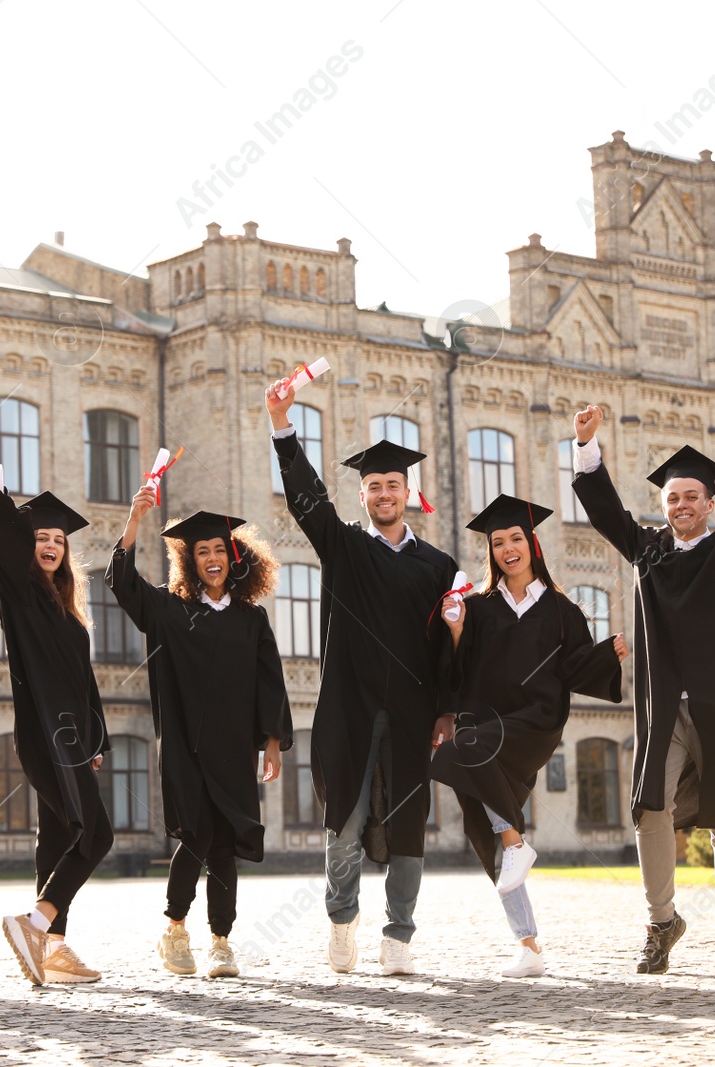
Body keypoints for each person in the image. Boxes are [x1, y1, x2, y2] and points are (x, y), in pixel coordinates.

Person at [570, 397, 715, 976]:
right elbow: (605, 511)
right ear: (663, 505)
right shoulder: (648, 550)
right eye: (673, 498)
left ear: (710, 504)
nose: (682, 505)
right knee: (649, 806)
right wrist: (587, 445)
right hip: (662, 707)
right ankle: (662, 922)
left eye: (692, 497)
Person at [266, 379, 459, 975]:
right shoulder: (345, 548)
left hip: (411, 710)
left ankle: (398, 935)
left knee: (407, 822)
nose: (383, 492)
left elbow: (448, 648)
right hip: (348, 708)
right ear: (363, 495)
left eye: (392, 485)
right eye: (373, 485)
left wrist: (448, 709)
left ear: (407, 492)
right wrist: (282, 427)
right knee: (344, 819)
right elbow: (306, 501)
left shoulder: (438, 566)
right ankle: (342, 924)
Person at [432, 494, 627, 978]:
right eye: (497, 542)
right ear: (491, 552)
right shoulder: (477, 607)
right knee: (494, 828)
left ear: (531, 544)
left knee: (463, 758)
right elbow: (456, 667)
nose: (506, 548)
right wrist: (455, 632)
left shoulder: (561, 610)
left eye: (515, 538)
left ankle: (519, 848)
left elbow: (577, 667)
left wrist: (610, 653)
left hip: (536, 721)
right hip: (483, 721)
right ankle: (529, 946)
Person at [107, 491, 294, 979]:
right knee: (197, 836)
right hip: (186, 746)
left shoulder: (251, 619)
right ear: (189, 561)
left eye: (218, 549)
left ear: (234, 556)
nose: (211, 559)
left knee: (225, 843)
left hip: (232, 749)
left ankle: (221, 942)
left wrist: (272, 741)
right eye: (201, 552)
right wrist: (134, 519)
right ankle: (174, 928)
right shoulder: (169, 610)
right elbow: (123, 584)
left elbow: (269, 680)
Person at [0, 428, 112, 986]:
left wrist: (98, 740)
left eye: (57, 539)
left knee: (59, 838)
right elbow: (4, 541)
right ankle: (34, 922)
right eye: (39, 537)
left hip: (74, 738)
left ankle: (51, 949)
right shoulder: (20, 595)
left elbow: (85, 681)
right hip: (46, 735)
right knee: (97, 837)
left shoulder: (69, 612)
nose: (49, 544)